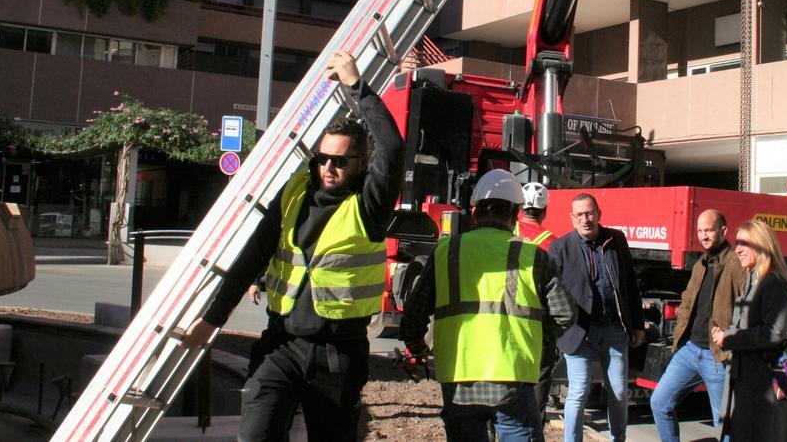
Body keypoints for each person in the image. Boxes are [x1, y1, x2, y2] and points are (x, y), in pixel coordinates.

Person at [181, 49, 403, 442]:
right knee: (255, 435)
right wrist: (214, 317)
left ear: (361, 163)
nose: (328, 168)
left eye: (340, 161)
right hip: (281, 343)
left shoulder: (368, 205)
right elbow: (253, 256)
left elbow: (393, 148)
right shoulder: (295, 192)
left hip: (337, 354)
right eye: (321, 159)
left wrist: (357, 86)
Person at [399, 169, 576, 441]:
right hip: (513, 375)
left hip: (458, 375)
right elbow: (565, 314)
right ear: (515, 214)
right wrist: (538, 342)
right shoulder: (533, 255)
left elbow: (414, 315)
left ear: (474, 213)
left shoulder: (446, 251)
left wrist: (418, 349)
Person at [548, 193, 645, 442]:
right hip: (579, 332)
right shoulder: (560, 247)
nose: (585, 219)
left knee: (620, 393)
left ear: (599, 214)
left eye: (589, 213)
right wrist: (557, 329)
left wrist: (637, 325)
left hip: (614, 329)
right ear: (572, 219)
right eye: (579, 214)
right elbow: (550, 292)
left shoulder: (616, 240)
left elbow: (630, 285)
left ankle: (618, 438)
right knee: (578, 392)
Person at [650, 209, 743, 442]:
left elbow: (750, 308)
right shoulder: (701, 263)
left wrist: (733, 339)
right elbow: (688, 301)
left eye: (709, 230)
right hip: (689, 350)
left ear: (723, 230)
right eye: (700, 230)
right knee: (659, 403)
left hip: (718, 355)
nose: (703, 235)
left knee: (724, 425)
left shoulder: (736, 264)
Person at [713, 219, 787, 442]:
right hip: (748, 377)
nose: (737, 249)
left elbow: (773, 332)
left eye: (743, 244)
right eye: (737, 243)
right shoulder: (753, 277)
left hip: (763, 381)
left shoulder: (774, 282)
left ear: (761, 246)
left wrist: (729, 338)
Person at [515, 181, 560, 420]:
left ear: (520, 207)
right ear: (545, 211)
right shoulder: (552, 242)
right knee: (539, 378)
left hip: (506, 321)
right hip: (538, 326)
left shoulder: (507, 234)